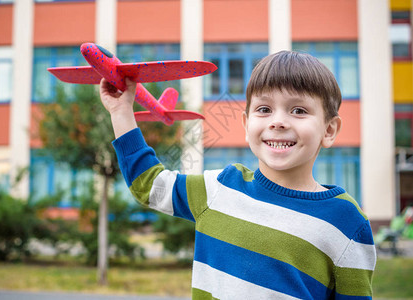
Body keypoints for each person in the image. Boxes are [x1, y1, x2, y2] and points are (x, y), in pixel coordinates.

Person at [99, 51, 376, 299]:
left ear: (329, 130)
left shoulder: (347, 222)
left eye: (299, 110)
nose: (277, 121)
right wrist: (122, 111)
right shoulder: (218, 189)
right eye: (264, 109)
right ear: (246, 125)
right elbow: (150, 185)